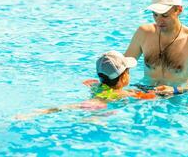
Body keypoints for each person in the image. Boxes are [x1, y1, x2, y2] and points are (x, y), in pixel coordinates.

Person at [15, 51, 157, 120]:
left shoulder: (97, 86)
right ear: (124, 76)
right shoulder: (124, 93)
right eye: (128, 71)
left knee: (64, 108)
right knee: (90, 118)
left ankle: (35, 113)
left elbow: (88, 83)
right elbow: (149, 97)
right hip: (100, 105)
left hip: (96, 101)